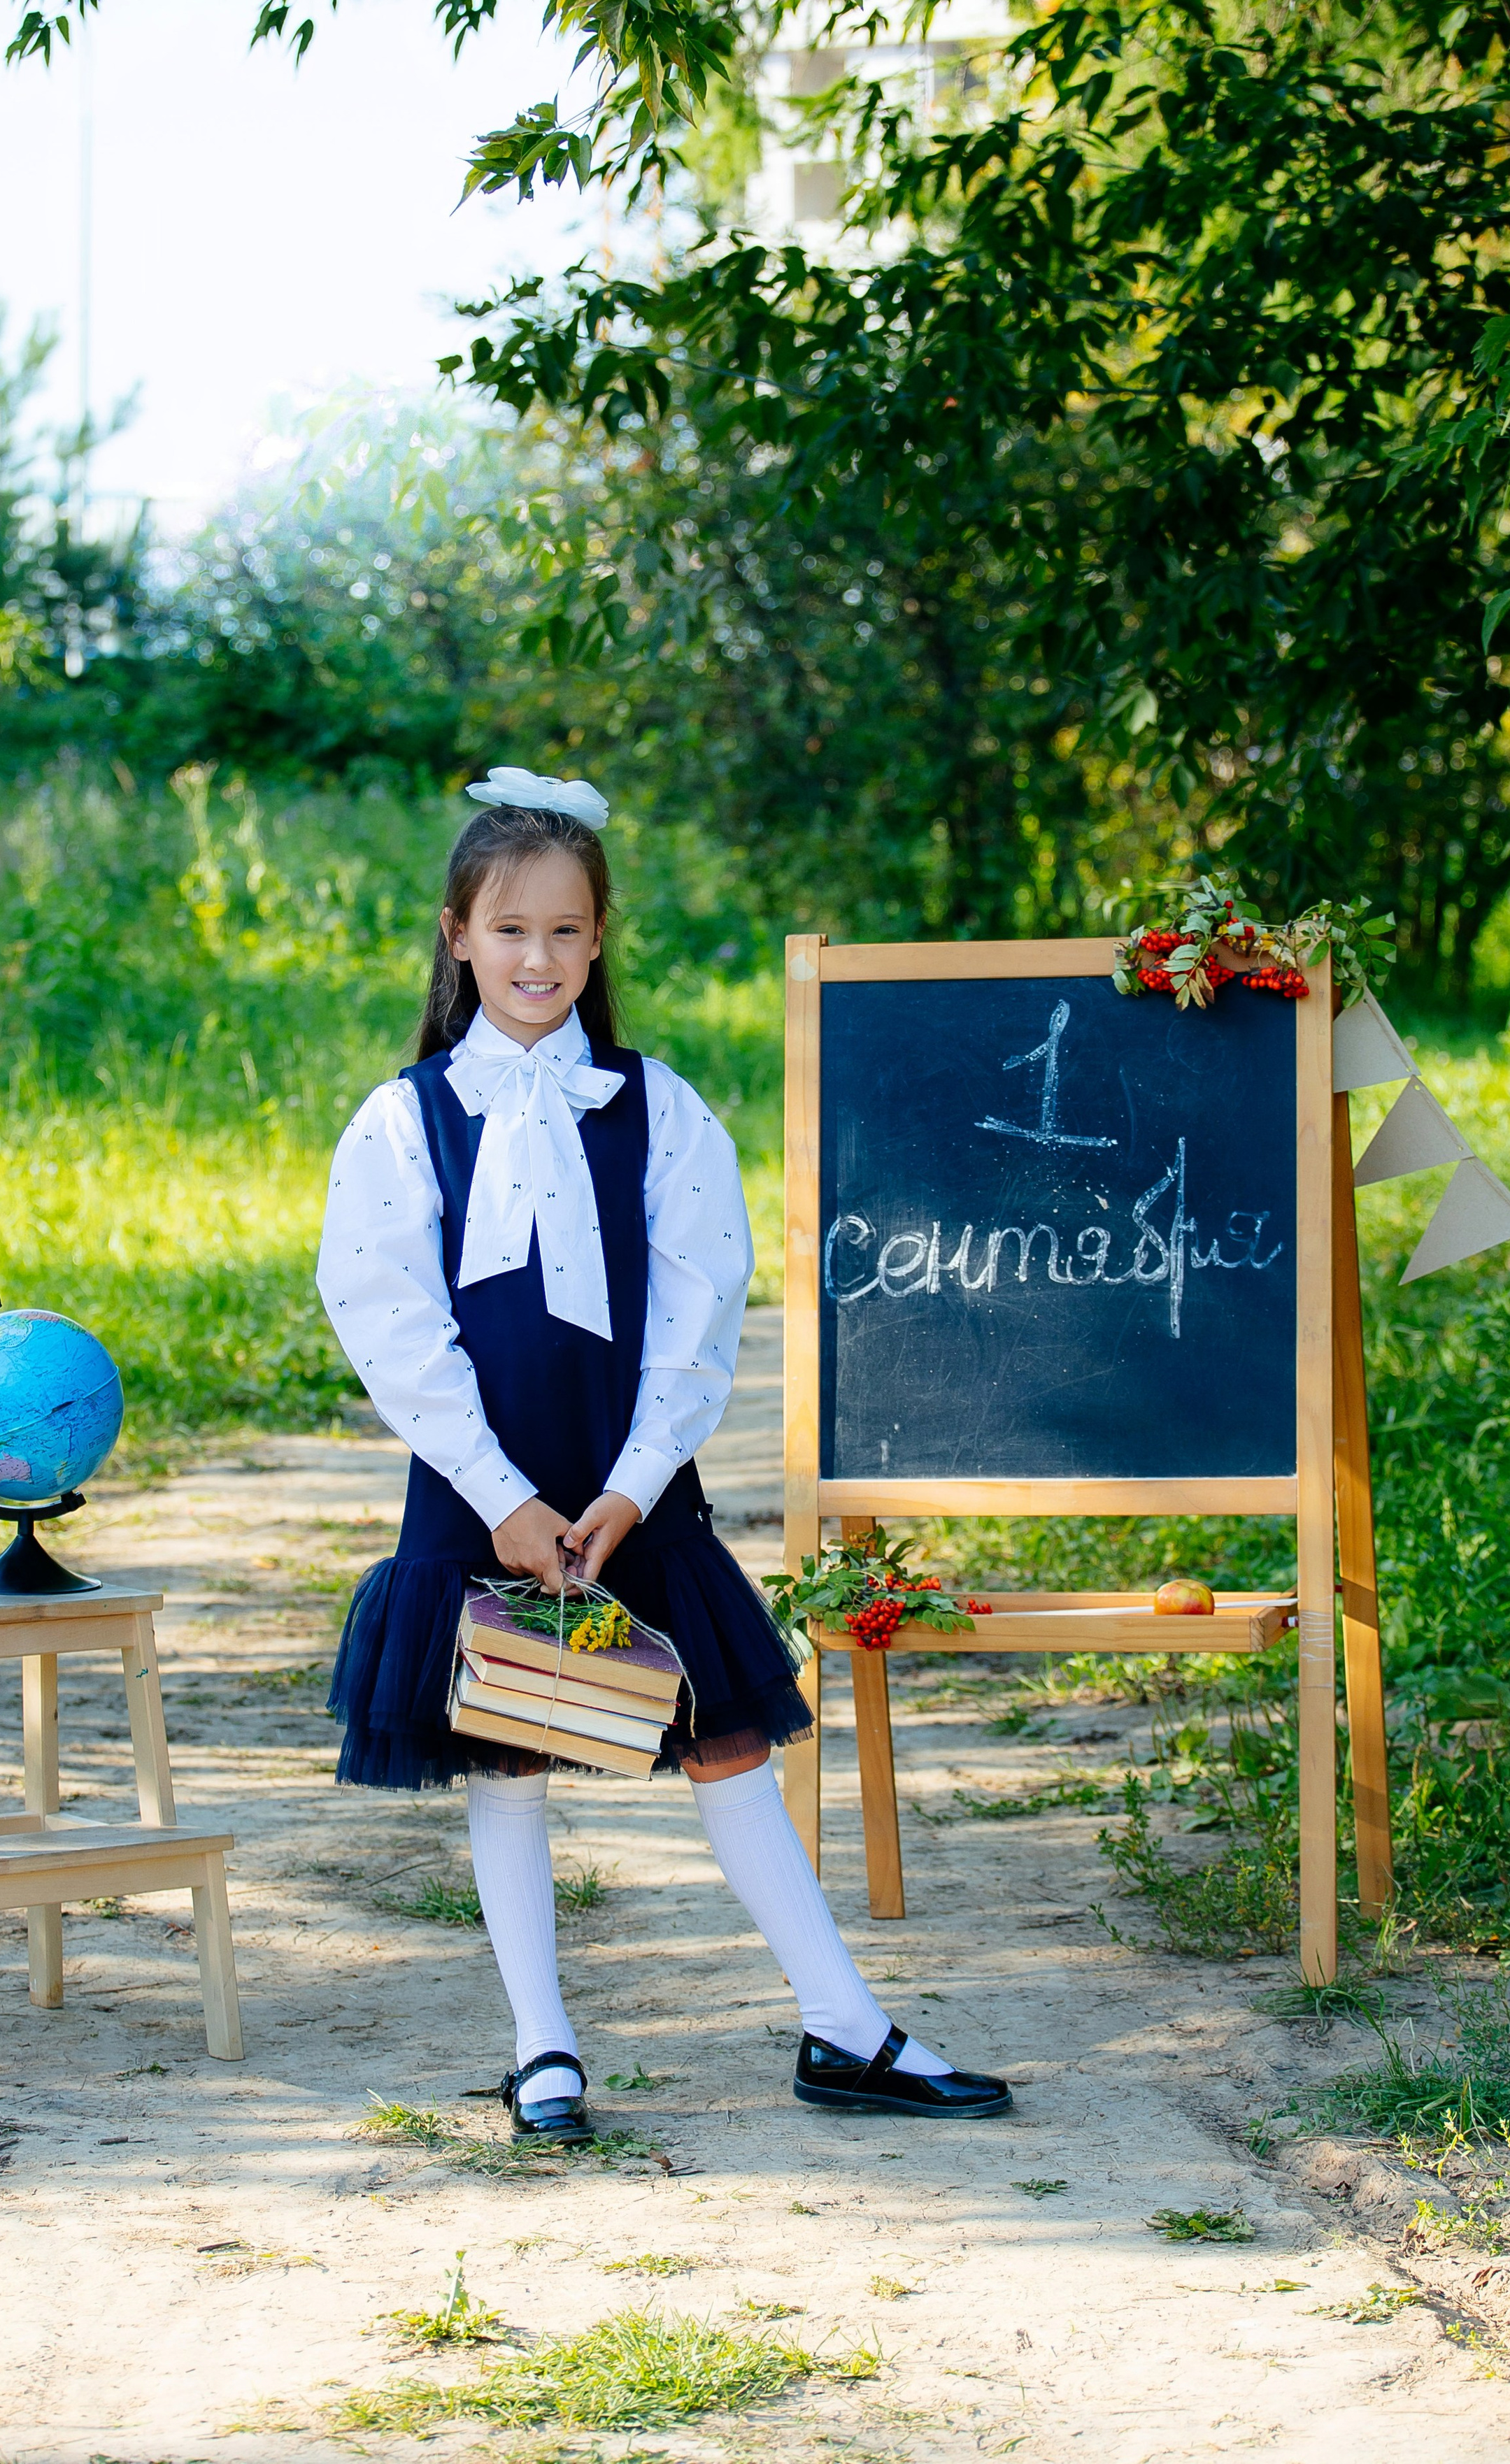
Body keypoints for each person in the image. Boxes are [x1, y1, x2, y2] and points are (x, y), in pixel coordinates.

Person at [317, 766, 1010, 2140]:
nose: (539, 959)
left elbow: (699, 1306)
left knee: (724, 1732)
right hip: (481, 1490)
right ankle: (541, 2047)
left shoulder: (658, 1107)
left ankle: (841, 2028)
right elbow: (385, 1320)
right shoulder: (401, 1122)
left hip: (632, 1482)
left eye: (567, 931)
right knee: (505, 1742)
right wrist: (506, 1501)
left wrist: (630, 1486)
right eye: (510, 930)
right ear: (457, 934)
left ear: (598, 939)